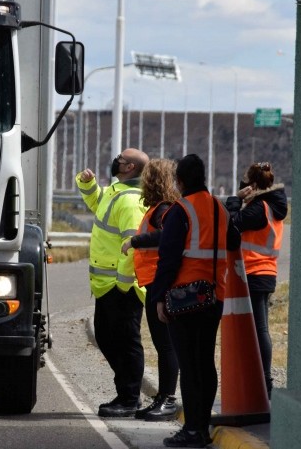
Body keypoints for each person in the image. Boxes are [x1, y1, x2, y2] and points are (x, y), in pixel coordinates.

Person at [147, 154, 240, 448]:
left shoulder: (180, 210)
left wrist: (160, 296)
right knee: (205, 362)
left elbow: (168, 258)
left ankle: (193, 430)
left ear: (181, 181)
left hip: (184, 299)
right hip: (214, 297)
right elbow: (234, 242)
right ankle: (202, 426)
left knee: (189, 366)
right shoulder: (219, 208)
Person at [76, 148, 149, 418]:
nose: (115, 160)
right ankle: (126, 391)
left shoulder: (130, 201)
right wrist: (88, 185)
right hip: (107, 286)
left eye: (120, 158)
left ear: (129, 167)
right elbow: (99, 206)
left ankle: (129, 399)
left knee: (126, 341)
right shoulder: (115, 192)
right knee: (107, 338)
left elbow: (132, 247)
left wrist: (123, 283)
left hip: (121, 287)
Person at [120, 159, 182, 422]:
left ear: (153, 181)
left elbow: (168, 236)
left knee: (166, 346)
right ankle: (162, 397)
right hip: (154, 283)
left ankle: (168, 399)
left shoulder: (163, 210)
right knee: (162, 344)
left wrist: (136, 240)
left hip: (161, 283)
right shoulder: (159, 208)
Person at [224, 162, 288, 398]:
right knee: (259, 329)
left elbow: (231, 227)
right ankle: (261, 379)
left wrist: (235, 199)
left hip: (253, 271)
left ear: (252, 185)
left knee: (259, 329)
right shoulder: (271, 205)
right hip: (265, 271)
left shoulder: (258, 209)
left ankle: (264, 381)